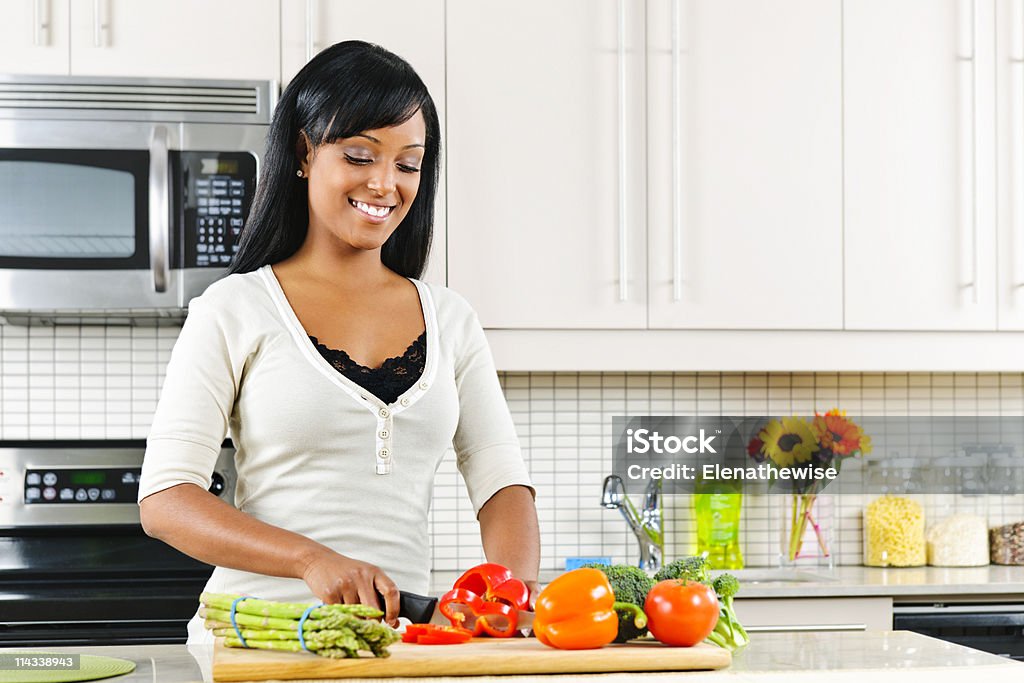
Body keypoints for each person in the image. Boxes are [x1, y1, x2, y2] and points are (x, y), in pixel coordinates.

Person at [137, 40, 540, 646]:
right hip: (261, 640)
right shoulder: (235, 308)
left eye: (408, 164)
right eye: (360, 155)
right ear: (305, 152)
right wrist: (310, 559)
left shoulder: (452, 320)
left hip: (390, 646)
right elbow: (166, 498)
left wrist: (509, 596)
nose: (385, 183)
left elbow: (503, 484)